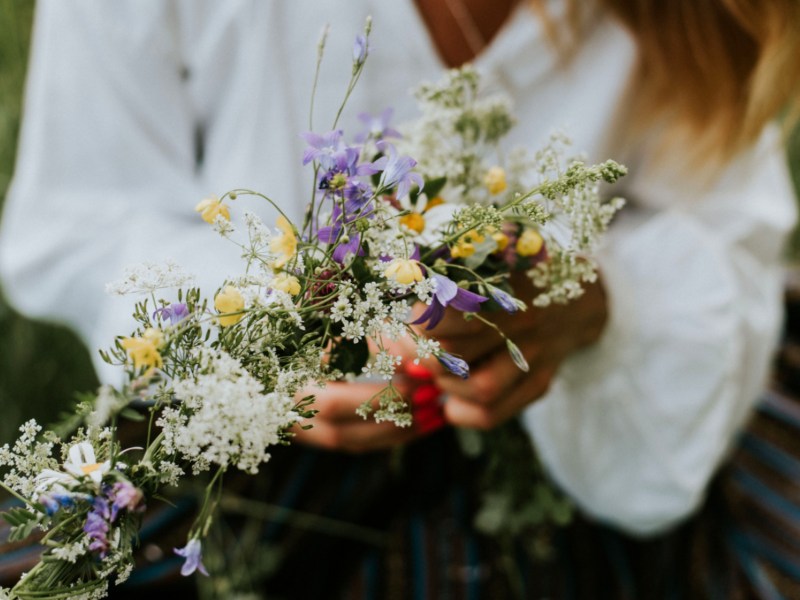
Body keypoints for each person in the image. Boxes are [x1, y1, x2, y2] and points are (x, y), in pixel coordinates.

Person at [0, 0, 798, 597]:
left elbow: (728, 235)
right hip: (245, 452)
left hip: (597, 429)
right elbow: (85, 216)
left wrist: (598, 301)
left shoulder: (697, 20)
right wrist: (275, 333)